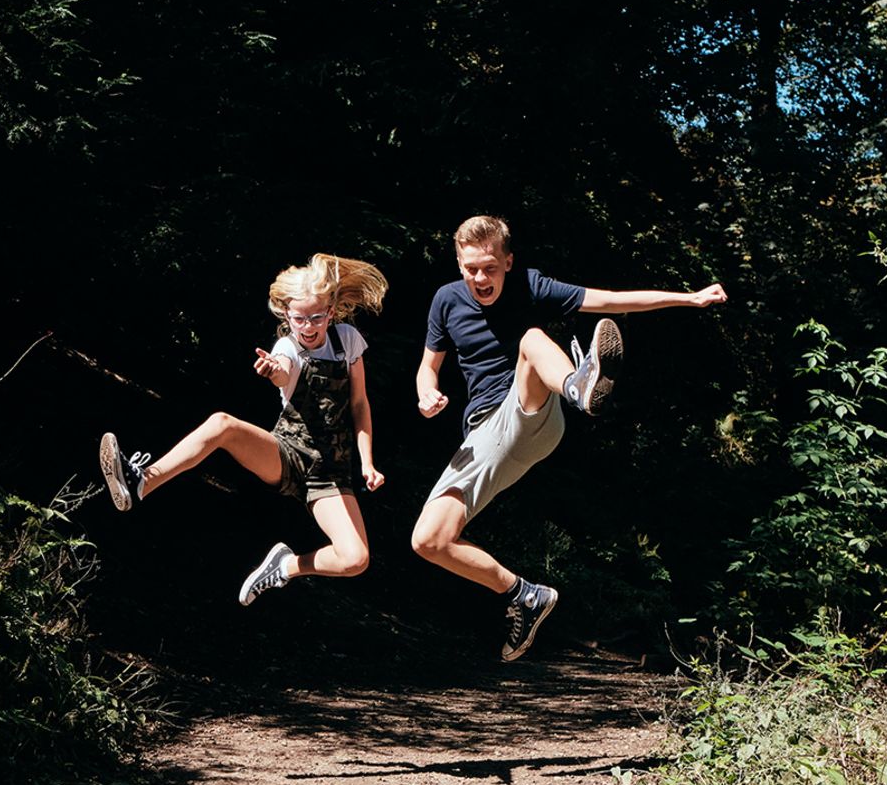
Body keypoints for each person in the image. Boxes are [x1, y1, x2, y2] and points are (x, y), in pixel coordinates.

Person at [411, 215, 728, 661]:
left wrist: (689, 299)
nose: (480, 278)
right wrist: (427, 392)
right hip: (489, 437)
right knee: (428, 540)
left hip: (536, 411)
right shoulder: (446, 299)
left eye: (490, 268)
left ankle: (579, 387)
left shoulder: (530, 285)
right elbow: (430, 365)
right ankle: (523, 595)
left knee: (532, 339)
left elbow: (611, 300)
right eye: (470, 269)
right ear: (459, 262)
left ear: (508, 261)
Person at [99, 253, 389, 606]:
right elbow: (283, 371)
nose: (309, 327)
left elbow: (359, 404)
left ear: (331, 312)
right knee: (223, 424)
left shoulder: (348, 341)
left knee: (355, 560)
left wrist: (367, 463)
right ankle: (142, 479)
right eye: (299, 319)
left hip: (329, 474)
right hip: (287, 454)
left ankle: (286, 566)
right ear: (286, 315)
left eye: (317, 317)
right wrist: (273, 371)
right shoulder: (286, 347)